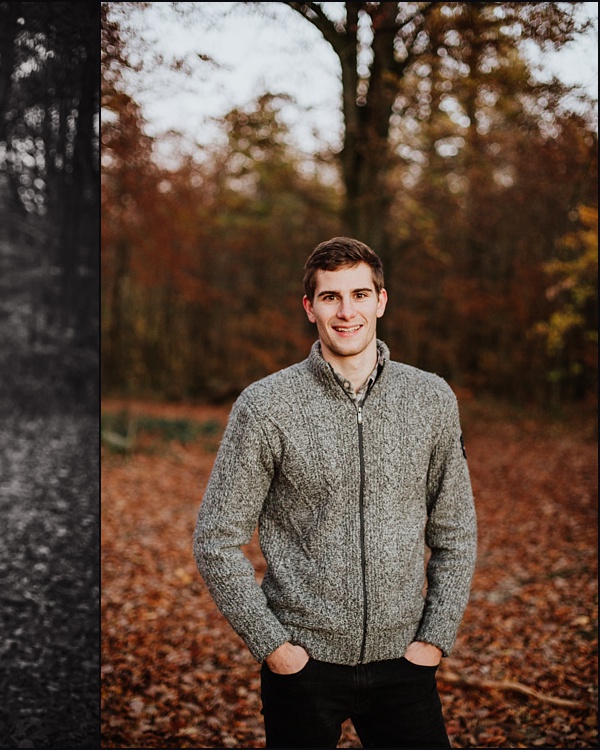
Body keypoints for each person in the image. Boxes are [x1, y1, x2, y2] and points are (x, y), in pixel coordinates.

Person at [192, 237, 477, 748]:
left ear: (381, 301)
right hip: (303, 669)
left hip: (404, 666)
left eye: (360, 295)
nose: (347, 312)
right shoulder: (265, 407)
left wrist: (434, 639)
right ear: (310, 307)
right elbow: (216, 539)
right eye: (330, 297)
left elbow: (456, 531)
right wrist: (274, 646)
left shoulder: (432, 399)